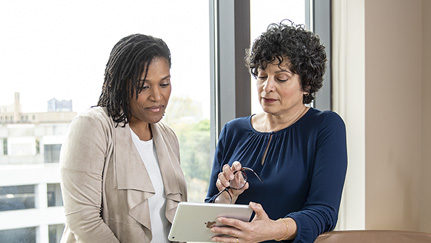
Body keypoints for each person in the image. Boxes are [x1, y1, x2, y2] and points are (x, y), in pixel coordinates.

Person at [205, 20, 347, 243]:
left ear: (307, 84)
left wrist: (274, 229)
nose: (267, 87)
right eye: (262, 76)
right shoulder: (233, 131)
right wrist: (229, 195)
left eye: (281, 78)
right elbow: (209, 213)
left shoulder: (325, 127)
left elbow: (324, 212)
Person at [59, 34, 187, 243]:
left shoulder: (168, 137)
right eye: (144, 86)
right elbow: (83, 219)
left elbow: (173, 220)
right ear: (120, 84)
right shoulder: (92, 126)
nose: (157, 96)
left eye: (164, 84)